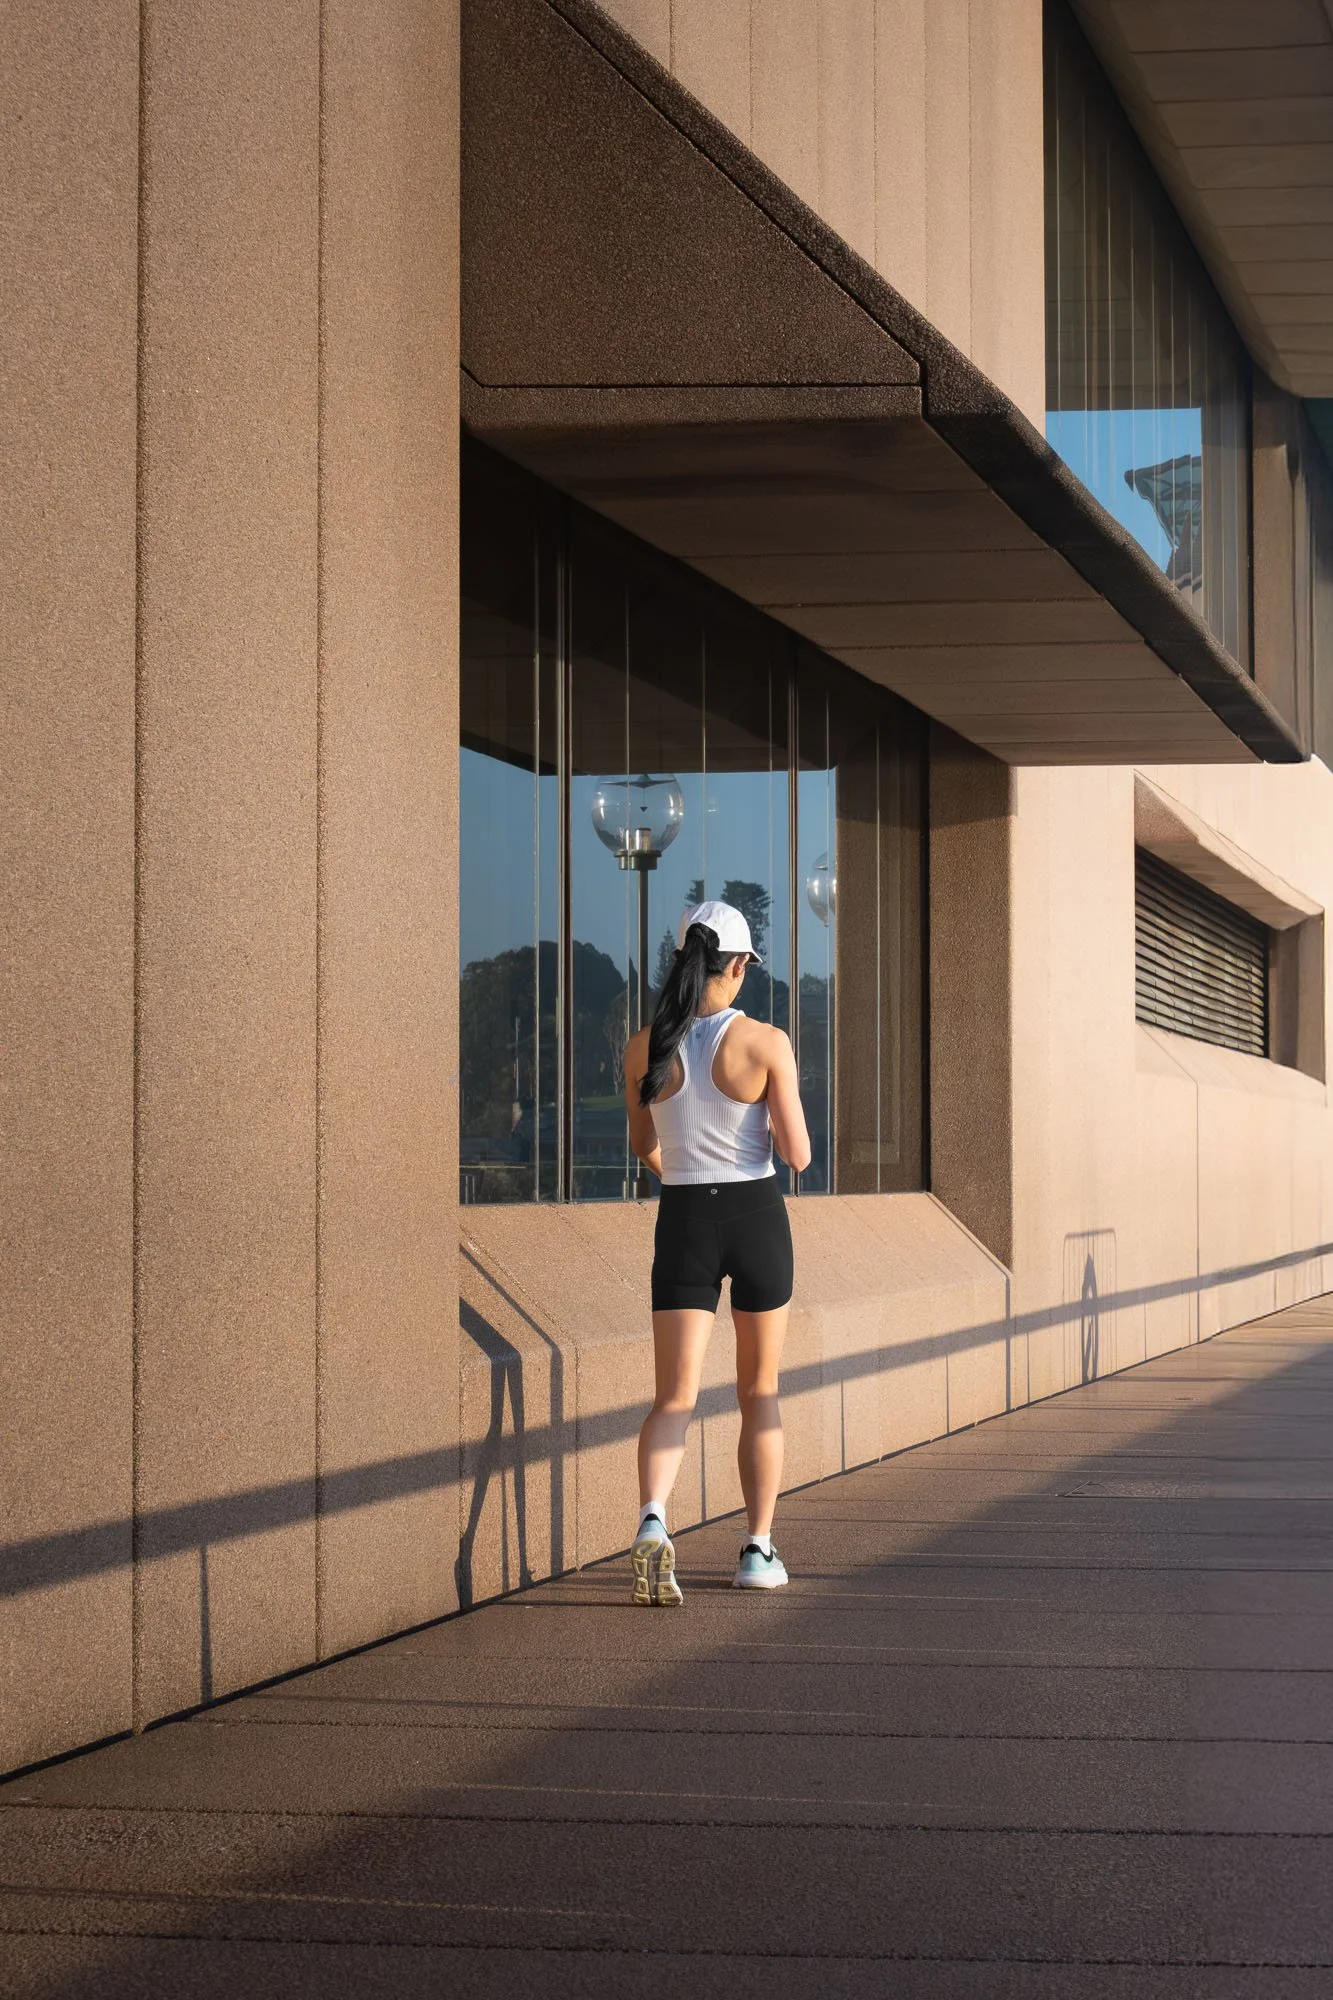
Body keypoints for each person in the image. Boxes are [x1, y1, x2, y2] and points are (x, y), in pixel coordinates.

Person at [622, 898, 811, 1606]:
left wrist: (685, 1170)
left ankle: (651, 1520)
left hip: (682, 1220)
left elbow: (646, 1147)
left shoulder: (645, 1046)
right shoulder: (765, 1042)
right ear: (736, 965)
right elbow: (796, 1154)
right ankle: (757, 1551)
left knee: (673, 1395)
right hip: (754, 1214)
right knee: (757, 1392)